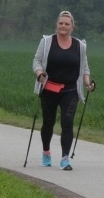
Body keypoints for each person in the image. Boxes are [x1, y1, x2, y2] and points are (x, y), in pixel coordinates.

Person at [32, 10, 95, 171]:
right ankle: (46, 152)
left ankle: (65, 158)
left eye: (67, 24)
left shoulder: (79, 46)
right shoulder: (46, 42)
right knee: (48, 122)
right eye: (61, 23)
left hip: (70, 90)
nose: (63, 26)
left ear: (72, 27)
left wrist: (88, 82)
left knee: (67, 122)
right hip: (49, 88)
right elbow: (37, 61)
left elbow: (84, 68)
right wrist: (40, 74)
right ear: (57, 25)